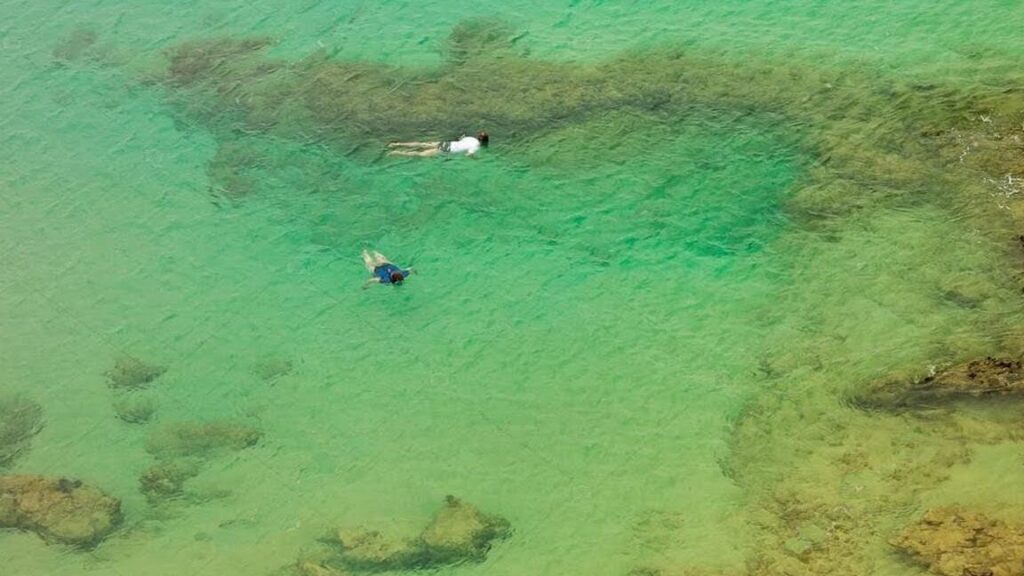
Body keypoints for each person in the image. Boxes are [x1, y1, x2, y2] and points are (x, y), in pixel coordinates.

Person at [387, 132, 489, 158]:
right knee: (420, 154)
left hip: (446, 143)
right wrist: (476, 159)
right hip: (447, 150)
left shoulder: (471, 138)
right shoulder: (476, 147)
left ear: (478, 136)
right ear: (484, 142)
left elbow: (460, 139)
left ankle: (397, 144)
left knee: (422, 144)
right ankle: (397, 152)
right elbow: (469, 155)